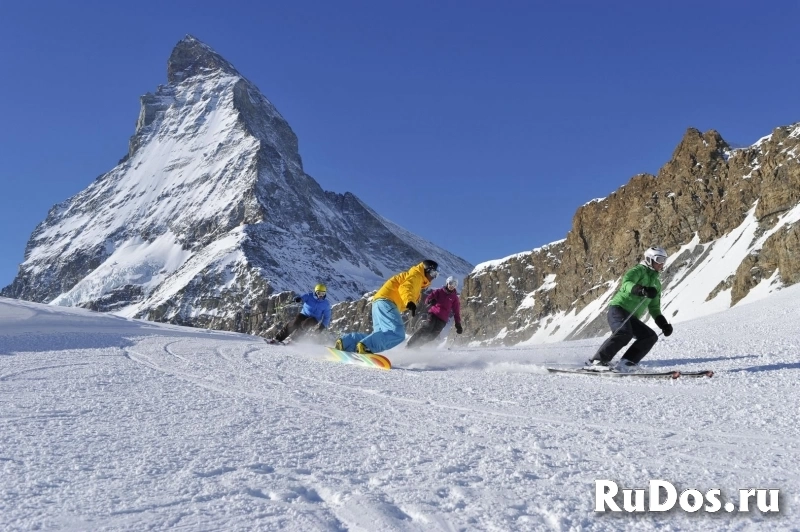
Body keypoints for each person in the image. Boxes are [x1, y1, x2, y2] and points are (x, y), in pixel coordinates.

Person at [587, 247, 674, 372]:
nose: (662, 263)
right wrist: (642, 290)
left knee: (650, 336)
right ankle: (598, 360)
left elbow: (654, 308)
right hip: (618, 309)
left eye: (664, 260)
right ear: (650, 259)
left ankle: (627, 362)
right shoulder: (638, 270)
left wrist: (664, 324)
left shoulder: (656, 284)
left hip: (631, 316)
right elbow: (627, 283)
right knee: (624, 333)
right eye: (659, 259)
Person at [336, 260, 439, 354]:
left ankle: (346, 343)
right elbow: (405, 287)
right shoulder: (417, 276)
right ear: (426, 270)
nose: (434, 277)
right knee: (397, 334)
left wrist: (418, 303)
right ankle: (365, 346)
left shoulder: (416, 278)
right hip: (387, 302)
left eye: (436, 275)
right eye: (433, 273)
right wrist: (409, 301)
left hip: (379, 302)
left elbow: (408, 290)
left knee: (380, 334)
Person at [406, 276, 463, 348]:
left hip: (443, 320)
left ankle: (416, 346)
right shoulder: (439, 291)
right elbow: (428, 299)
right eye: (451, 283)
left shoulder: (454, 298)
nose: (452, 286)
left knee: (432, 336)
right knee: (427, 328)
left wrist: (458, 324)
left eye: (454, 284)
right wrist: (430, 301)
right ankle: (410, 345)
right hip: (433, 314)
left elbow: (456, 311)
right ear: (447, 283)